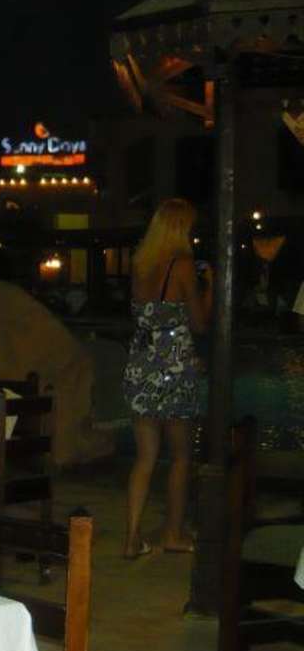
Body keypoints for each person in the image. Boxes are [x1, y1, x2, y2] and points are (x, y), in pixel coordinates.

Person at [122, 198, 213, 558]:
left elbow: (143, 317)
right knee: (181, 456)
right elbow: (200, 323)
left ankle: (132, 537)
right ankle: (173, 533)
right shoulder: (183, 266)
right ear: (180, 229)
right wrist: (210, 286)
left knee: (145, 457)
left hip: (141, 364)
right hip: (174, 368)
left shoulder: (140, 265)